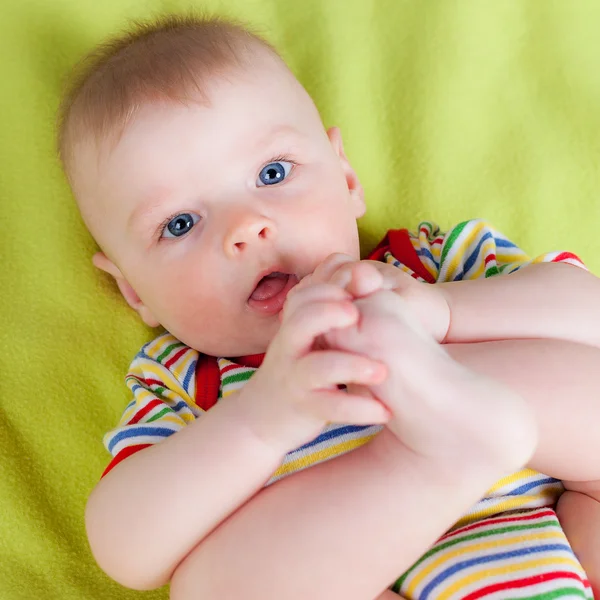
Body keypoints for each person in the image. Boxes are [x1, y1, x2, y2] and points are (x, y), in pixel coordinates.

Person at [57, 14, 600, 600]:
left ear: (345, 178)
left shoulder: (425, 265)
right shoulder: (188, 383)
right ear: (135, 290)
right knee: (208, 589)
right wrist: (267, 416)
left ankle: (450, 430)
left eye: (272, 173)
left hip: (569, 542)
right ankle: (436, 461)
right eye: (180, 223)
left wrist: (438, 312)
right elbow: (127, 552)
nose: (248, 228)